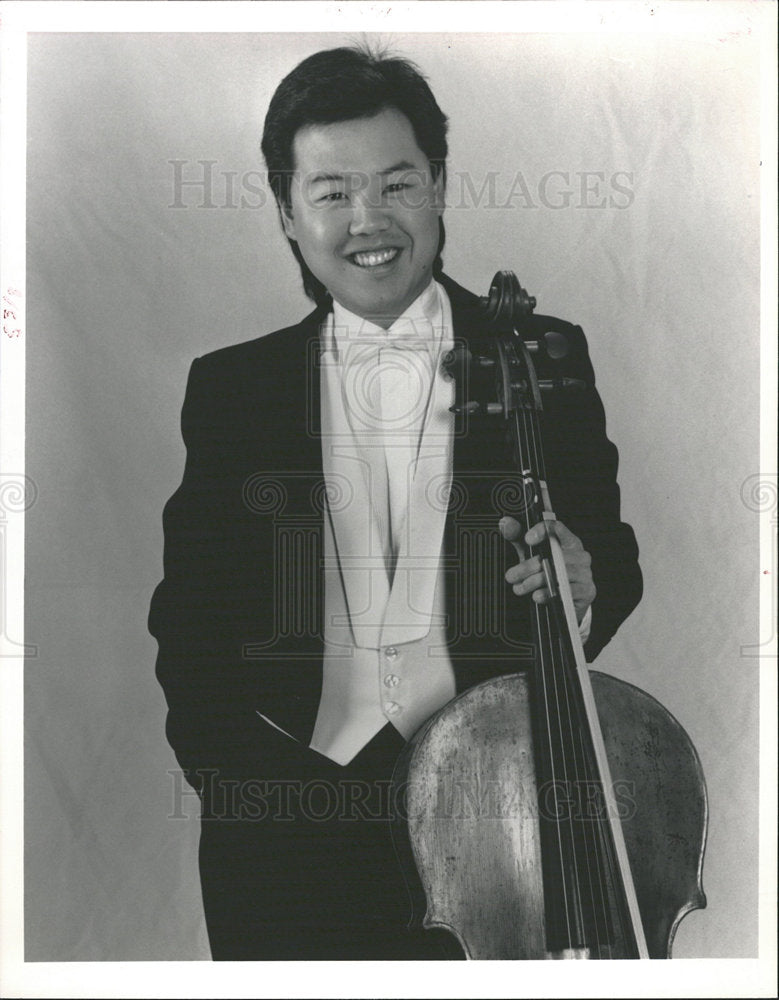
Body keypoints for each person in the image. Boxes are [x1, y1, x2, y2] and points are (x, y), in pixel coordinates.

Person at [149, 45, 642, 961]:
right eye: (331, 191)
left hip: (504, 822)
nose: (367, 219)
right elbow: (191, 623)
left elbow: (609, 554)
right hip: (287, 843)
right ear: (288, 214)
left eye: (396, 183)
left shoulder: (544, 353)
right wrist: (237, 786)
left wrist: (583, 583)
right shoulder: (232, 388)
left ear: (440, 185)